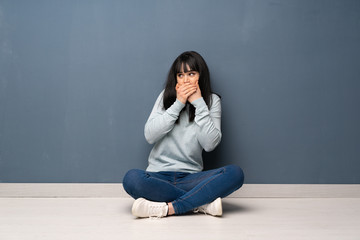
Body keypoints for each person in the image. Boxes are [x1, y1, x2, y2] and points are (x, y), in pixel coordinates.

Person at [123, 51, 244, 218]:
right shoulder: (164, 97)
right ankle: (200, 203)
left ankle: (168, 208)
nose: (185, 80)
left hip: (192, 179)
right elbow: (150, 135)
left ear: (201, 77)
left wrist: (199, 103)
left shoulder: (212, 101)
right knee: (132, 178)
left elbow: (210, 144)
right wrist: (178, 103)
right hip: (158, 176)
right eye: (180, 75)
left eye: (191, 74)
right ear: (176, 79)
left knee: (235, 173)